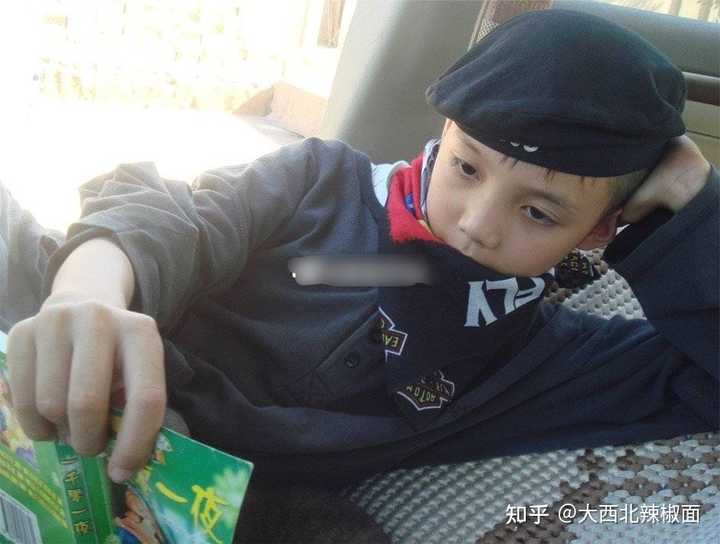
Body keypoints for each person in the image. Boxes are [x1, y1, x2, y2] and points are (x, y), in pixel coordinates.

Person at [2, 7, 717, 504]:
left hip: (177, 492)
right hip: (64, 327)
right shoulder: (320, 181)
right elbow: (177, 215)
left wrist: (692, 210)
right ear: (443, 132)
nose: (476, 224)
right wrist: (87, 291)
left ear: (598, 232)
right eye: (466, 167)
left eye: (538, 211)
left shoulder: (534, 362)